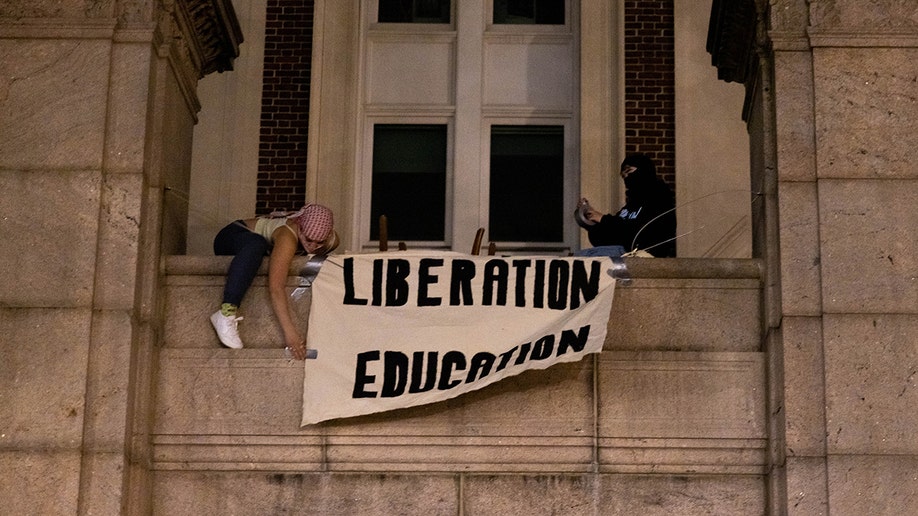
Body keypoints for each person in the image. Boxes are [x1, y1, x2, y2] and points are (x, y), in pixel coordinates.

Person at [210, 203, 338, 360]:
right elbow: (276, 287)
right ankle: (226, 312)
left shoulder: (331, 240)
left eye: (319, 243)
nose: (312, 247)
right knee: (258, 243)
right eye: (309, 240)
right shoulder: (287, 238)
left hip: (251, 245)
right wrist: (290, 333)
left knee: (259, 246)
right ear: (300, 227)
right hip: (231, 236)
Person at [576, 153, 676, 257]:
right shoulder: (630, 206)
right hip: (623, 255)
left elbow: (638, 233)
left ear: (644, 169)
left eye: (629, 171)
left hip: (644, 257)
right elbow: (611, 237)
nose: (626, 177)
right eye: (623, 175)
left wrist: (603, 219)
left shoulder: (659, 200)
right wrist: (591, 222)